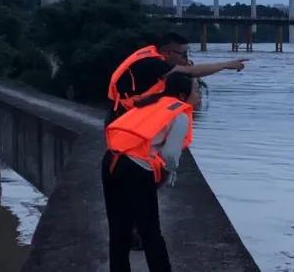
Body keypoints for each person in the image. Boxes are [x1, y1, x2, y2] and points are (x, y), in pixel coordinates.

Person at [102, 72, 199, 272]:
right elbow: (170, 154)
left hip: (111, 160)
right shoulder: (178, 114)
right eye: (197, 91)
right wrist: (170, 171)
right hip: (136, 170)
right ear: (182, 95)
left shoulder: (150, 103)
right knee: (150, 230)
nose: (199, 95)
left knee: (119, 228)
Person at [106, 32, 245, 126]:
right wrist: (226, 65)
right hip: (122, 116)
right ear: (167, 52)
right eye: (183, 54)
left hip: (124, 112)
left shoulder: (151, 55)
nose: (185, 58)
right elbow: (192, 72)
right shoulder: (153, 63)